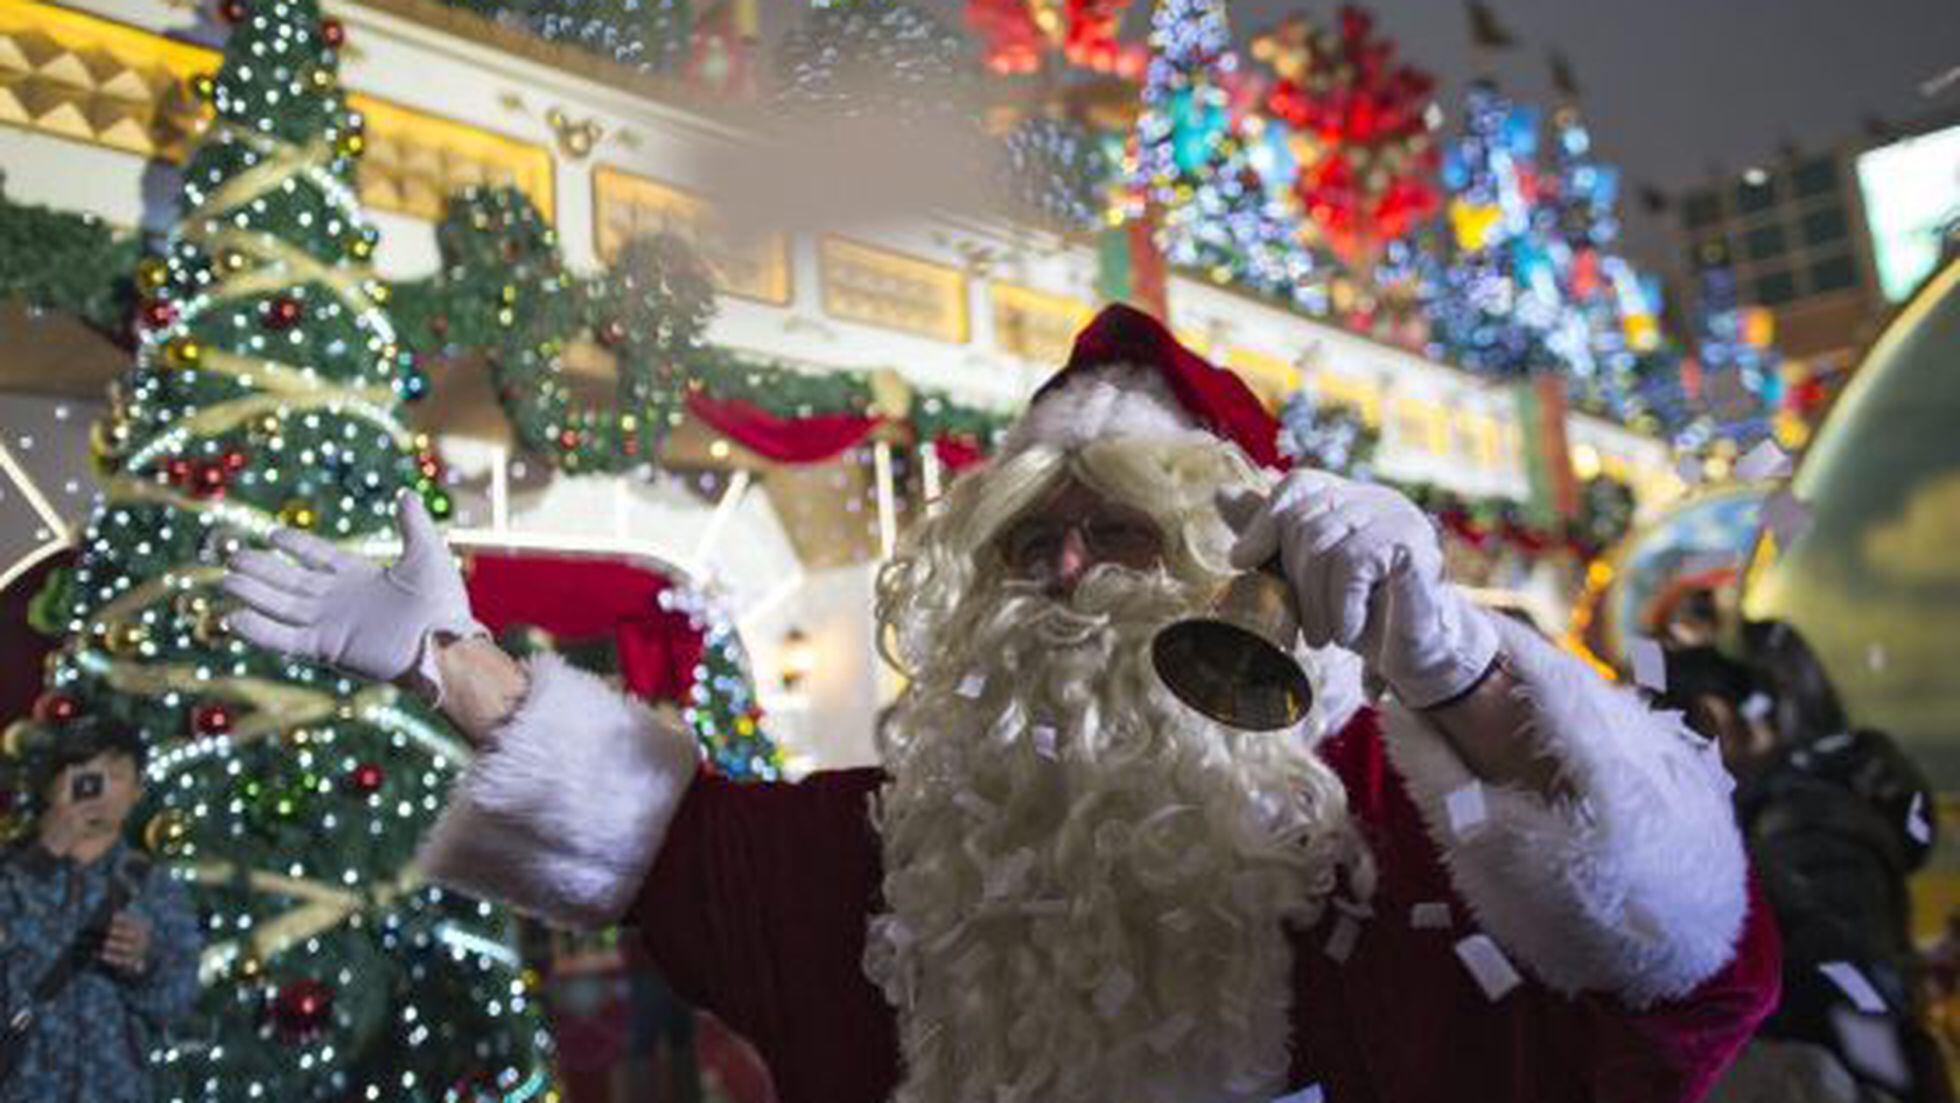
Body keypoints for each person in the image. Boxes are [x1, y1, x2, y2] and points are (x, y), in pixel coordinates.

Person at [225, 305, 1780, 1103]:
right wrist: (455, 662)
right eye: (1031, 538)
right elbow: (677, 845)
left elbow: (1683, 972)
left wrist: (1452, 662)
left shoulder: (1377, 817)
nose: (1070, 570)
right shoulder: (914, 848)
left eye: (1124, 532)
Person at [0, 717, 201, 1102]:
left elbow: (178, 1003)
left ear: (137, 791)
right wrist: (44, 854)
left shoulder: (155, 886)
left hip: (112, 1087)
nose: (94, 787)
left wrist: (145, 966)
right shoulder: (11, 872)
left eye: (114, 775)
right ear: (52, 784)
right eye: (81, 772)